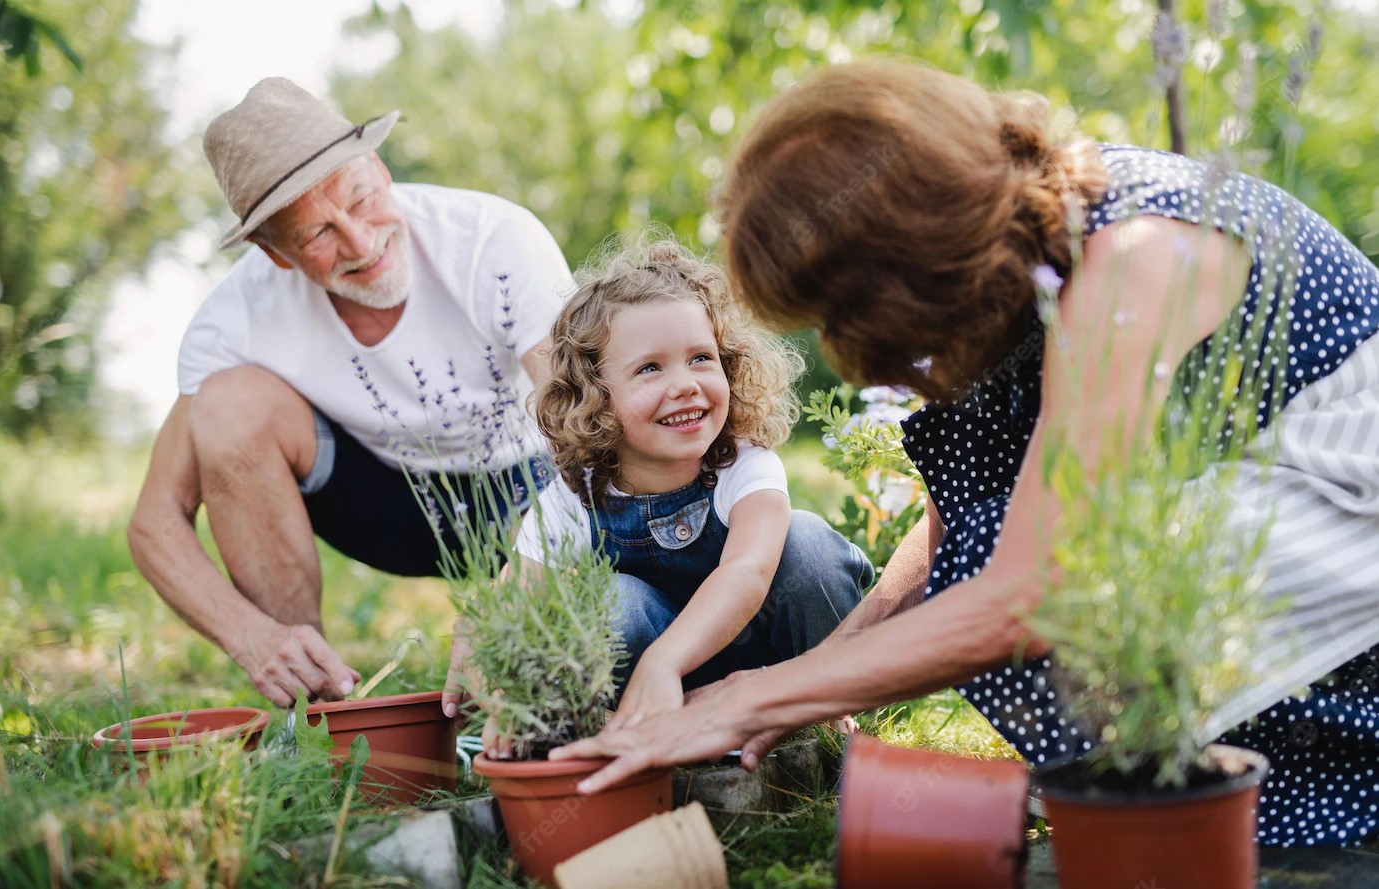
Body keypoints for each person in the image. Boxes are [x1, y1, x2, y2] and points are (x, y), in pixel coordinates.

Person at [550, 61, 1379, 846]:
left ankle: (1262, 796)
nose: (842, 348)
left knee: (1051, 591)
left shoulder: (1130, 262)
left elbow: (1028, 590)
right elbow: (954, 534)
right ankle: (1182, 801)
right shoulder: (1019, 266)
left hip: (1347, 506)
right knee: (984, 551)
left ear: (905, 263)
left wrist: (743, 698)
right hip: (1254, 522)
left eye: (838, 311)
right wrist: (811, 678)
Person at [127, 78, 573, 708]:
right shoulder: (233, 320)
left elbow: (593, 437)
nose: (361, 244)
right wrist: (252, 637)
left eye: (360, 200)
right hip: (383, 504)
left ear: (381, 171)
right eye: (317, 235)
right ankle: (310, 707)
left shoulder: (494, 240)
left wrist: (523, 579)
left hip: (527, 489)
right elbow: (154, 523)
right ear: (273, 252)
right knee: (226, 404)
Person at [442, 240, 873, 746]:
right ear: (597, 397)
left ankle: (823, 707)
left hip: (769, 667)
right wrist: (500, 671)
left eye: (700, 359)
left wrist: (667, 660)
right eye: (651, 368)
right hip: (654, 692)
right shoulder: (575, 496)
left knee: (810, 547)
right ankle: (641, 731)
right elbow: (523, 601)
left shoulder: (744, 464)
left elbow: (747, 571)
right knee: (609, 603)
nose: (685, 383)